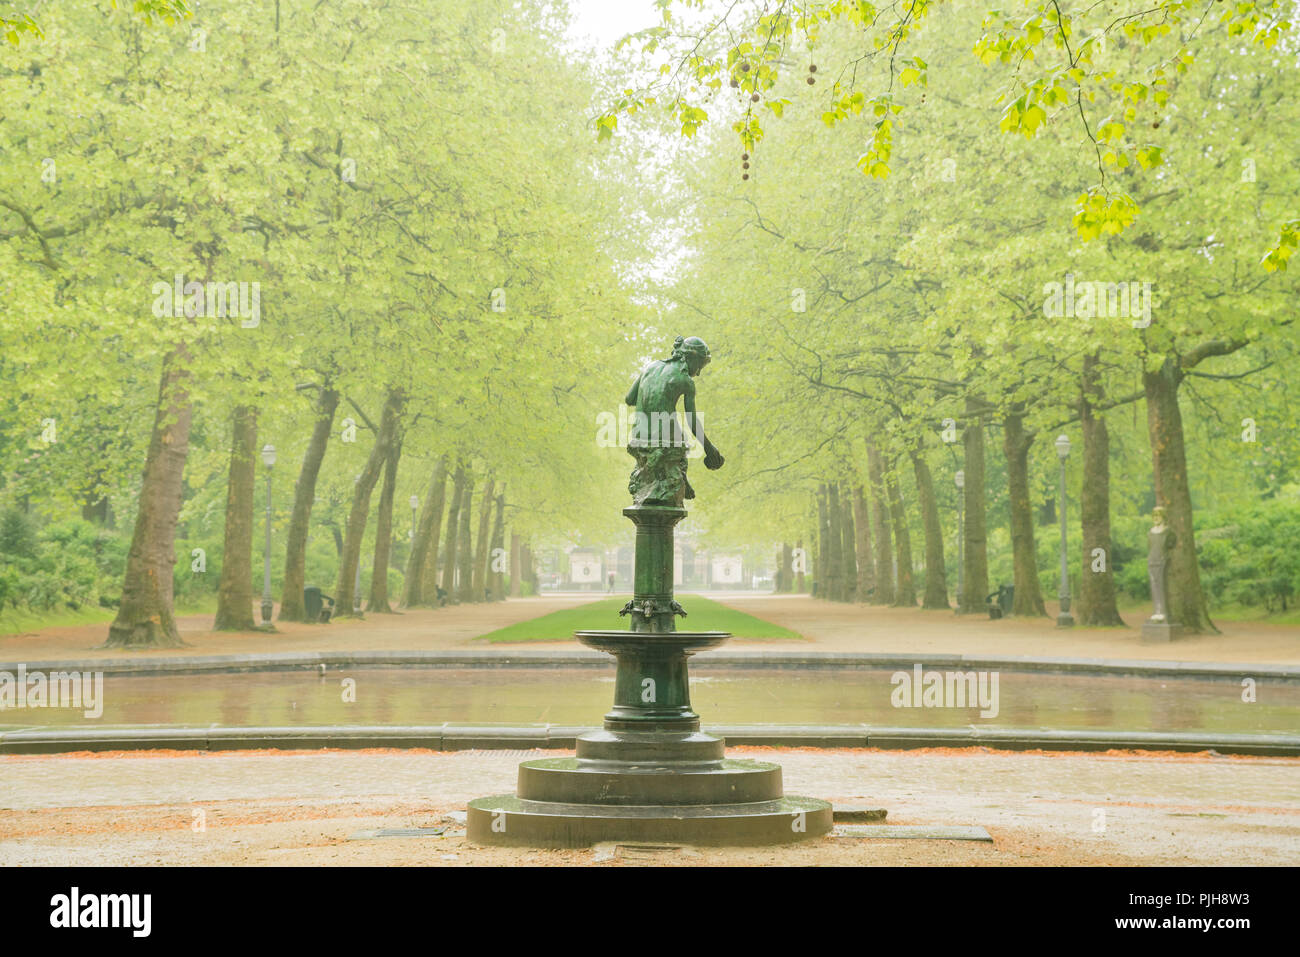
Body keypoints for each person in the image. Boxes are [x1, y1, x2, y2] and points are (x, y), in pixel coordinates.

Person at [624, 336, 725, 507]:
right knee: (682, 442)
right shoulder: (686, 381)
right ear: (691, 357)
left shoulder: (651, 366)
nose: (698, 372)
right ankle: (680, 479)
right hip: (664, 442)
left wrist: (650, 394)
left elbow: (629, 399)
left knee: (672, 427)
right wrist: (710, 449)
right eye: (700, 366)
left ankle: (679, 479)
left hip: (638, 437)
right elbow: (692, 420)